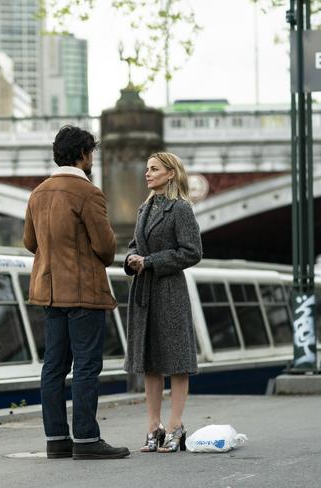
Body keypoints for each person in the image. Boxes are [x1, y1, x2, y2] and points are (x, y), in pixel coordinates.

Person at [23, 125, 130, 460]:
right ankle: (86, 439)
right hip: (83, 293)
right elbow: (106, 248)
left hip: (48, 291)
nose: (92, 159)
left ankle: (56, 439)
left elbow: (29, 242)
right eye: (91, 153)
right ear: (84, 155)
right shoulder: (88, 193)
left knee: (53, 367)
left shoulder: (38, 193)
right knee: (85, 366)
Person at [124, 152, 202, 454]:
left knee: (176, 362)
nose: (147, 173)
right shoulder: (144, 208)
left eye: (154, 169)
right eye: (146, 169)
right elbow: (135, 245)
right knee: (149, 363)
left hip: (170, 291)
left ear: (171, 174)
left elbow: (192, 251)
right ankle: (153, 427)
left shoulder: (181, 209)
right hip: (144, 292)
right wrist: (131, 260)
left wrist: (151, 261)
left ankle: (175, 425)